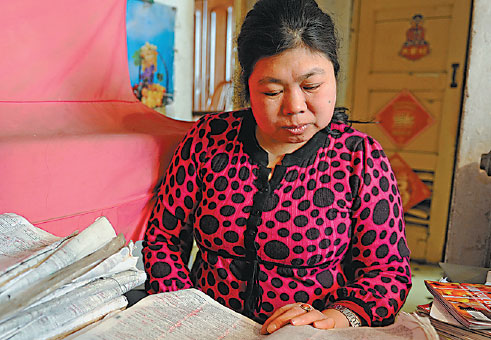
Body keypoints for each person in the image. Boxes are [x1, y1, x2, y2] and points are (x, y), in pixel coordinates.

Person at [142, 0, 411, 334]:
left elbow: (388, 273)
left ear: (334, 77)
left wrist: (339, 317)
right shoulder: (208, 139)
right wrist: (186, 312)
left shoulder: (359, 157)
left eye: (311, 87)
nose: (294, 108)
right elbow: (162, 241)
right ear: (248, 88)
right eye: (272, 91)